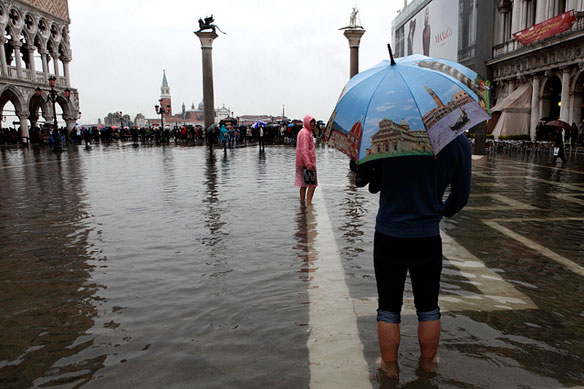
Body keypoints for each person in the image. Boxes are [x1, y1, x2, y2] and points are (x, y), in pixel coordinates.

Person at [356, 133, 472, 378]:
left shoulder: (382, 137)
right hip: (428, 236)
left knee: (388, 307)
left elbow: (363, 178)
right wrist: (438, 211)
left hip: (389, 234)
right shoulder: (457, 141)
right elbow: (460, 197)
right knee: (429, 306)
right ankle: (428, 364)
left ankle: (389, 366)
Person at [295, 115, 318, 204]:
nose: (312, 124)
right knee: (313, 184)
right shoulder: (305, 133)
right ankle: (308, 203)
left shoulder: (306, 132)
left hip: (302, 162)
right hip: (307, 163)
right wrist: (308, 164)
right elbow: (304, 150)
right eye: (311, 122)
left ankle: (302, 203)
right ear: (306, 122)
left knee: (304, 184)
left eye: (313, 122)